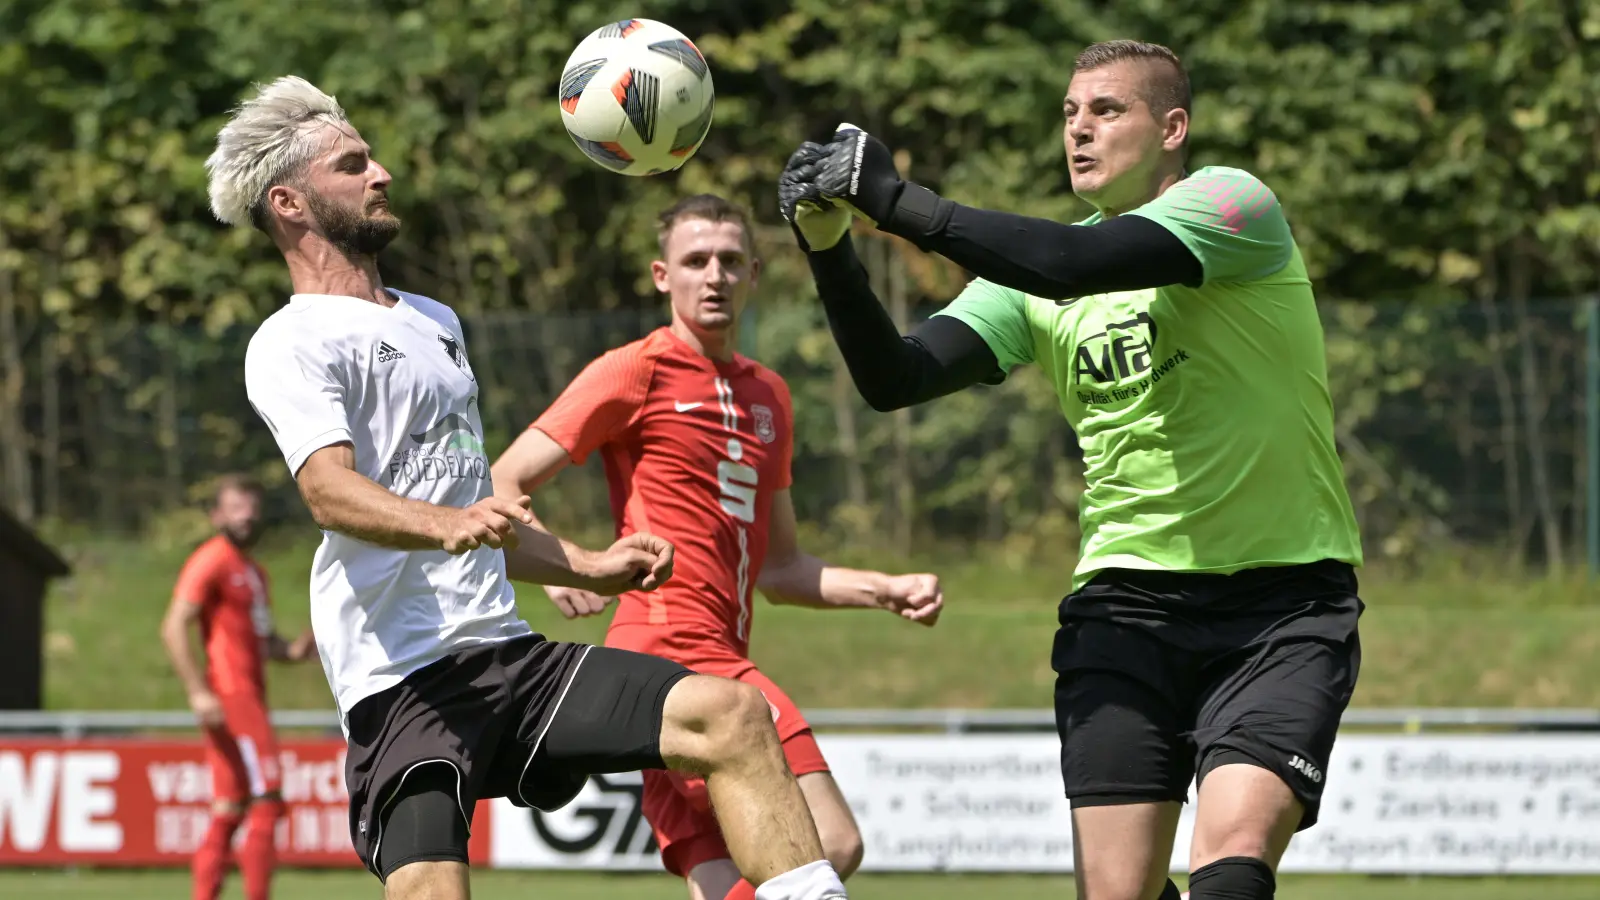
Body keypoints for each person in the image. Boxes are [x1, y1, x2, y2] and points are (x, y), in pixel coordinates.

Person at [210, 76, 849, 900]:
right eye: (354, 164)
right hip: (401, 680)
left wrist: (588, 565)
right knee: (432, 890)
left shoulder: (434, 321)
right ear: (289, 202)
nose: (383, 174)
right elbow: (330, 494)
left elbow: (472, 502)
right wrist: (449, 523)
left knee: (730, 716)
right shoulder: (289, 342)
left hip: (509, 657)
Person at [778, 39, 1364, 900]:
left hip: (1281, 603)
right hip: (1124, 608)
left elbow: (1075, 264)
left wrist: (897, 203)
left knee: (1230, 867)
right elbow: (894, 378)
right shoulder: (1023, 286)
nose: (1079, 130)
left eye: (1106, 110)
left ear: (1173, 128)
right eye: (1069, 113)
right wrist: (832, 251)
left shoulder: (1234, 205)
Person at [491, 193, 944, 900]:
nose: (715, 276)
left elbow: (782, 568)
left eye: (731, 261)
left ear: (755, 273)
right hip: (669, 648)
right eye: (695, 261)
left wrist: (885, 589)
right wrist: (561, 565)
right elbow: (505, 479)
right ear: (661, 276)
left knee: (730, 878)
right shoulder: (633, 370)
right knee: (830, 841)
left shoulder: (769, 396)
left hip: (722, 652)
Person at [160, 473, 317, 900]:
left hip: (247, 694)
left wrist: (297, 649)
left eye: (251, 507)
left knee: (230, 807)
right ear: (216, 516)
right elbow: (174, 625)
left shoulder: (254, 573)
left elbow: (264, 644)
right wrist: (198, 690)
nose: (246, 516)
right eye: (235, 508)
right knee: (268, 800)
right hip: (232, 696)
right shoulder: (211, 559)